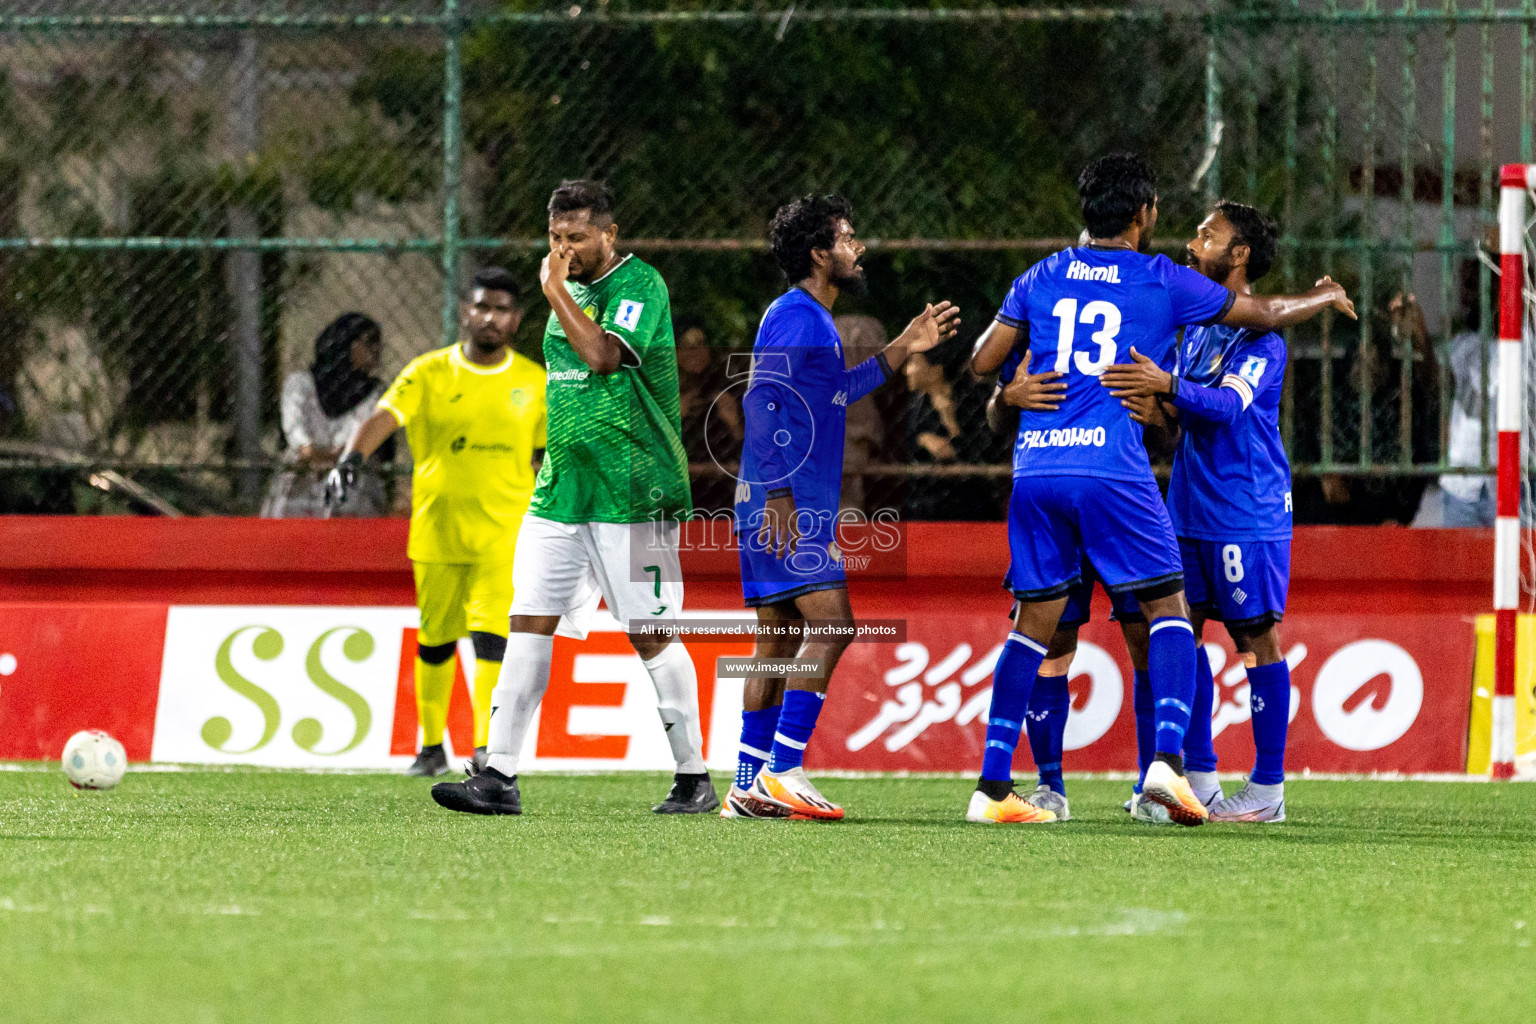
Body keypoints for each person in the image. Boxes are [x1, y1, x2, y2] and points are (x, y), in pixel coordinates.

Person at [968, 153, 1354, 826]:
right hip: (1116, 477)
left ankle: (994, 787)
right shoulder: (1164, 284)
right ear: (1143, 214)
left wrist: (1008, 398)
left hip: (1045, 472)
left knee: (1039, 629)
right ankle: (1171, 771)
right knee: (1169, 614)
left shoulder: (1041, 274)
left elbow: (982, 364)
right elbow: (1261, 312)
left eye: (1204, 233)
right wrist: (1323, 297)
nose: (1184, 238)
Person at [429, 179, 713, 817]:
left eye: (577, 238)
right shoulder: (570, 286)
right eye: (555, 239)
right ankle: (498, 773)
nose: (564, 250)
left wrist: (554, 289)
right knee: (528, 621)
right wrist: (562, 288)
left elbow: (606, 358)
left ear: (609, 235)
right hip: (562, 488)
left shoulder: (640, 285)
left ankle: (693, 777)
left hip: (634, 489)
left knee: (651, 633)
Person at [722, 194, 960, 820]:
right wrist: (778, 497)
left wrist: (906, 343)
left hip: (774, 499)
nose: (858, 248)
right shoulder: (799, 318)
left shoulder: (809, 319)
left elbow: (839, 393)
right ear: (819, 254)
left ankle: (746, 784)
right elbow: (761, 400)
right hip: (786, 502)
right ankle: (784, 770)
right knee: (834, 626)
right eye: (848, 238)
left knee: (777, 639)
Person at [1100, 200, 1298, 823]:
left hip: (1247, 514)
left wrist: (1165, 386)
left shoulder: (1265, 341)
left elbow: (1226, 407)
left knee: (1255, 643)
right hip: (1184, 510)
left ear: (1238, 255)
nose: (1193, 243)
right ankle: (1202, 781)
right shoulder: (1196, 331)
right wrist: (1147, 404)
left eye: (1207, 236)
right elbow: (1183, 420)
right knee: (1181, 638)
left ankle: (1268, 792)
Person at [325, 268, 545, 778]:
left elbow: (544, 456)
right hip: (437, 530)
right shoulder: (427, 372)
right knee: (436, 638)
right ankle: (430, 747)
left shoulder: (535, 382)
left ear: (515, 320)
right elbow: (384, 416)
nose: (490, 317)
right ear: (465, 312)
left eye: (502, 310)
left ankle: (486, 747)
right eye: (481, 307)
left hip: (503, 533)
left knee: (493, 637)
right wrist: (351, 459)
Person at [263, 313, 387, 519]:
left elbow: (361, 436)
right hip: (301, 481)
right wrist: (308, 450)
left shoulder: (375, 393)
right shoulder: (301, 384)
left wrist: (337, 455)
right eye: (368, 342)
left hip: (349, 484)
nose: (376, 350)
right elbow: (294, 429)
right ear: (347, 343)